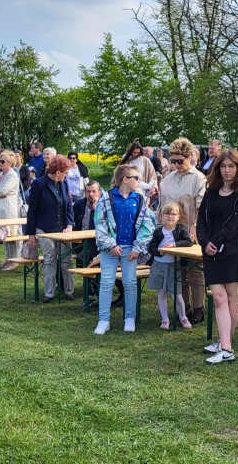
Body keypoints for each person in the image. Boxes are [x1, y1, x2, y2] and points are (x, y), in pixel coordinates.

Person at [199, 150, 238, 364]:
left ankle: (226, 345)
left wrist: (217, 241)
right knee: (219, 297)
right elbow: (202, 220)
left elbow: (236, 225)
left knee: (230, 296)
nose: (227, 170)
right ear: (218, 168)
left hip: (230, 250)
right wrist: (205, 243)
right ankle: (225, 345)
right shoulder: (211, 191)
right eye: (223, 166)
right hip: (210, 251)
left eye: (231, 166)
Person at [93, 164, 156, 334]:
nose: (139, 181)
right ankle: (103, 320)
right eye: (136, 178)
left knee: (130, 283)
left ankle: (130, 318)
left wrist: (138, 247)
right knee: (106, 283)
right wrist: (110, 245)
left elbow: (148, 225)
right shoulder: (106, 198)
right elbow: (100, 223)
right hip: (110, 250)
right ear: (125, 180)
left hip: (131, 249)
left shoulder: (140, 199)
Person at [158, 138, 207, 323]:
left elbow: (201, 206)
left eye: (180, 160)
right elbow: (161, 206)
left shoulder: (198, 179)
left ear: (189, 157)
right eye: (173, 161)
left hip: (191, 231)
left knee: (195, 271)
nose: (176, 164)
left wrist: (195, 225)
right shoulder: (167, 179)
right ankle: (183, 308)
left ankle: (198, 309)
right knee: (178, 272)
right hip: (171, 233)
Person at [25, 155, 76, 302]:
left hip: (63, 229)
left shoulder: (64, 183)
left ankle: (69, 291)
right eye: (65, 172)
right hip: (45, 229)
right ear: (58, 172)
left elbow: (69, 207)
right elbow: (32, 211)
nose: (67, 175)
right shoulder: (39, 184)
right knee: (50, 260)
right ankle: (49, 293)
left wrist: (69, 225)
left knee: (67, 260)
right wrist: (31, 234)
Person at [147, 202, 193, 330]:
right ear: (162, 215)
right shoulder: (157, 231)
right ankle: (165, 319)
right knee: (161, 293)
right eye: (167, 214)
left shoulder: (181, 229)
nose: (170, 217)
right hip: (159, 265)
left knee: (177, 294)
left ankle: (183, 317)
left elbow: (188, 242)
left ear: (178, 217)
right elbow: (151, 247)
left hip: (174, 265)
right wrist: (160, 251)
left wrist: (174, 245)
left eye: (173, 214)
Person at [0, 150, 23, 271]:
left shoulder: (13, 175)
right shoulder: (0, 175)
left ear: (10, 163)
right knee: (3, 235)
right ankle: (7, 258)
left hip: (8, 208)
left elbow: (4, 190)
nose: (0, 163)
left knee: (11, 234)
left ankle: (14, 260)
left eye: (3, 161)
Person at [74, 181, 102, 308]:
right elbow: (72, 221)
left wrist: (96, 209)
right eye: (88, 192)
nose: (91, 194)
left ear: (99, 193)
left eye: (94, 191)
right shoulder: (79, 205)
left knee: (87, 258)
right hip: (81, 241)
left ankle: (93, 292)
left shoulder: (104, 206)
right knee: (79, 257)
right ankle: (89, 291)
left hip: (99, 243)